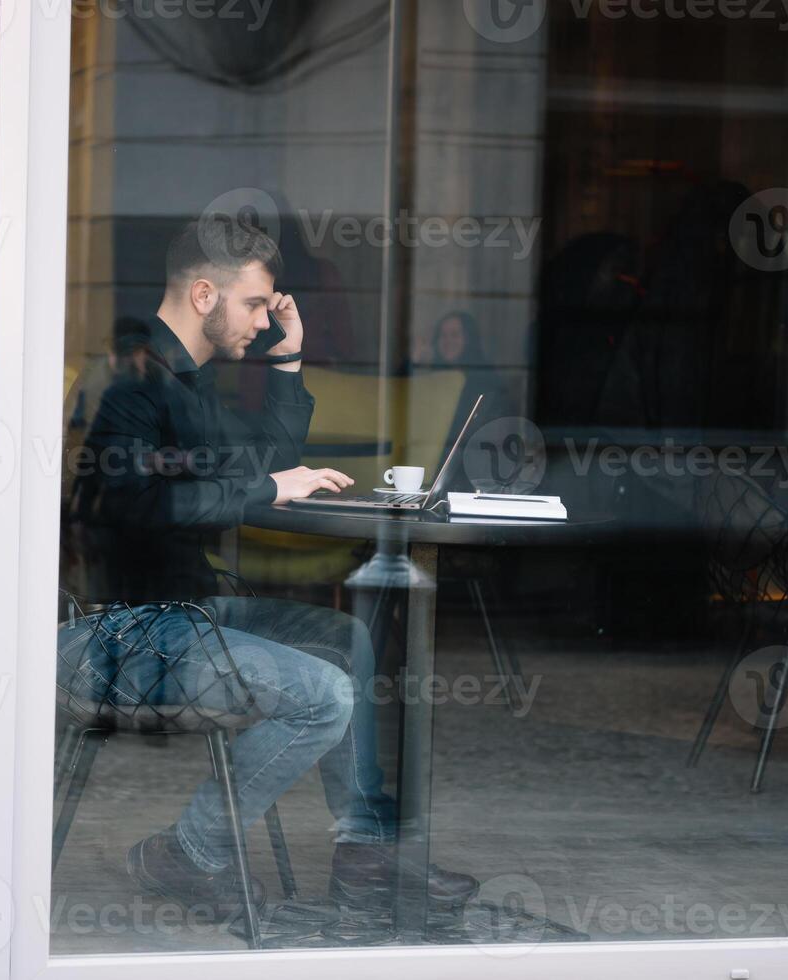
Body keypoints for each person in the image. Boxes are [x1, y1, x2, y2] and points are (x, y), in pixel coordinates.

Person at [64, 217, 478, 921]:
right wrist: (267, 490)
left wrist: (289, 362)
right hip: (123, 634)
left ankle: (365, 856)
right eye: (256, 303)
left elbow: (264, 461)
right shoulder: (132, 383)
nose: (264, 318)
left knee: (349, 641)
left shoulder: (188, 381)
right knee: (325, 695)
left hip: (185, 614)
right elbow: (129, 502)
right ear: (203, 294)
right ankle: (189, 855)